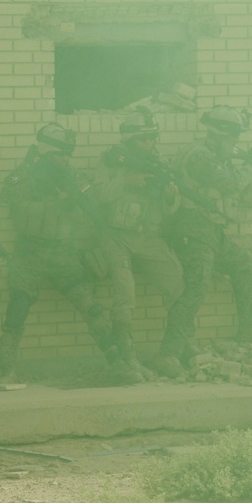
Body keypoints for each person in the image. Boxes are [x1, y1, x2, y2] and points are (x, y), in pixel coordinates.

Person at [0, 122, 126, 384]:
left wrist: (73, 200)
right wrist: (50, 198)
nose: (65, 160)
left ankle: (116, 359)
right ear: (45, 152)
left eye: (68, 154)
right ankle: (6, 359)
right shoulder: (25, 174)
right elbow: (9, 196)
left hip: (63, 253)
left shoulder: (71, 175)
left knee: (90, 306)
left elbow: (90, 200)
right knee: (18, 305)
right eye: (60, 154)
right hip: (30, 252)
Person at [147, 105, 252, 378]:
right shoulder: (200, 156)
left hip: (211, 230)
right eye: (233, 138)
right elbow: (231, 183)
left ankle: (250, 326)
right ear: (220, 135)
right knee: (196, 288)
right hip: (191, 229)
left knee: (242, 265)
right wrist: (251, 166)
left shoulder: (216, 156)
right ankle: (168, 353)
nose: (235, 144)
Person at [97, 108, 184, 382]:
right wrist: (126, 181)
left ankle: (173, 350)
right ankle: (127, 360)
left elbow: (170, 209)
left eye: (153, 138)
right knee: (126, 296)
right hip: (116, 236)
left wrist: (171, 197)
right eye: (143, 139)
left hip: (148, 237)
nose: (150, 144)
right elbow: (97, 194)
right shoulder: (112, 160)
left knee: (177, 285)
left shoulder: (159, 163)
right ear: (130, 140)